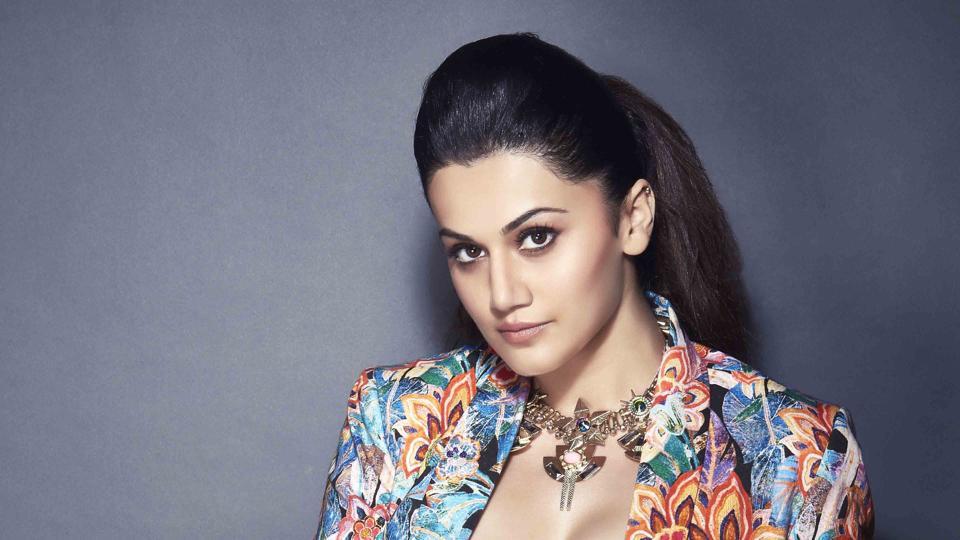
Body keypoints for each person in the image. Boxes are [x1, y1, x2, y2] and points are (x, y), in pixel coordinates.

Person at [315, 32, 874, 540]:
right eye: (469, 252)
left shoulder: (797, 456)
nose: (502, 295)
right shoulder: (394, 422)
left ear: (633, 218)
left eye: (536, 237)